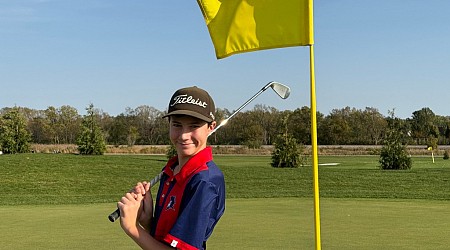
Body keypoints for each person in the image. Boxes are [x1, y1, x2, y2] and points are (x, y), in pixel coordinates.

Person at [118, 86, 226, 250]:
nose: (184, 135)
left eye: (194, 126)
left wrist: (133, 229)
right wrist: (149, 222)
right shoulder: (170, 171)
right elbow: (164, 241)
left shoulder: (205, 181)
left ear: (211, 127)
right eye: (177, 125)